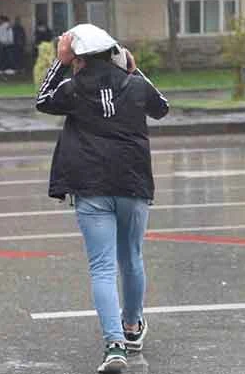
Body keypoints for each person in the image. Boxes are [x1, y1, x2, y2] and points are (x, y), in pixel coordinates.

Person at [35, 25, 169, 373]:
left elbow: (42, 100)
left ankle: (114, 346)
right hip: (133, 182)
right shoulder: (136, 84)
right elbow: (162, 108)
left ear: (77, 57)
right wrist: (134, 69)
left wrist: (59, 63)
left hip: (91, 187)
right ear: (114, 53)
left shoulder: (73, 88)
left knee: (102, 267)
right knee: (132, 258)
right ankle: (132, 326)